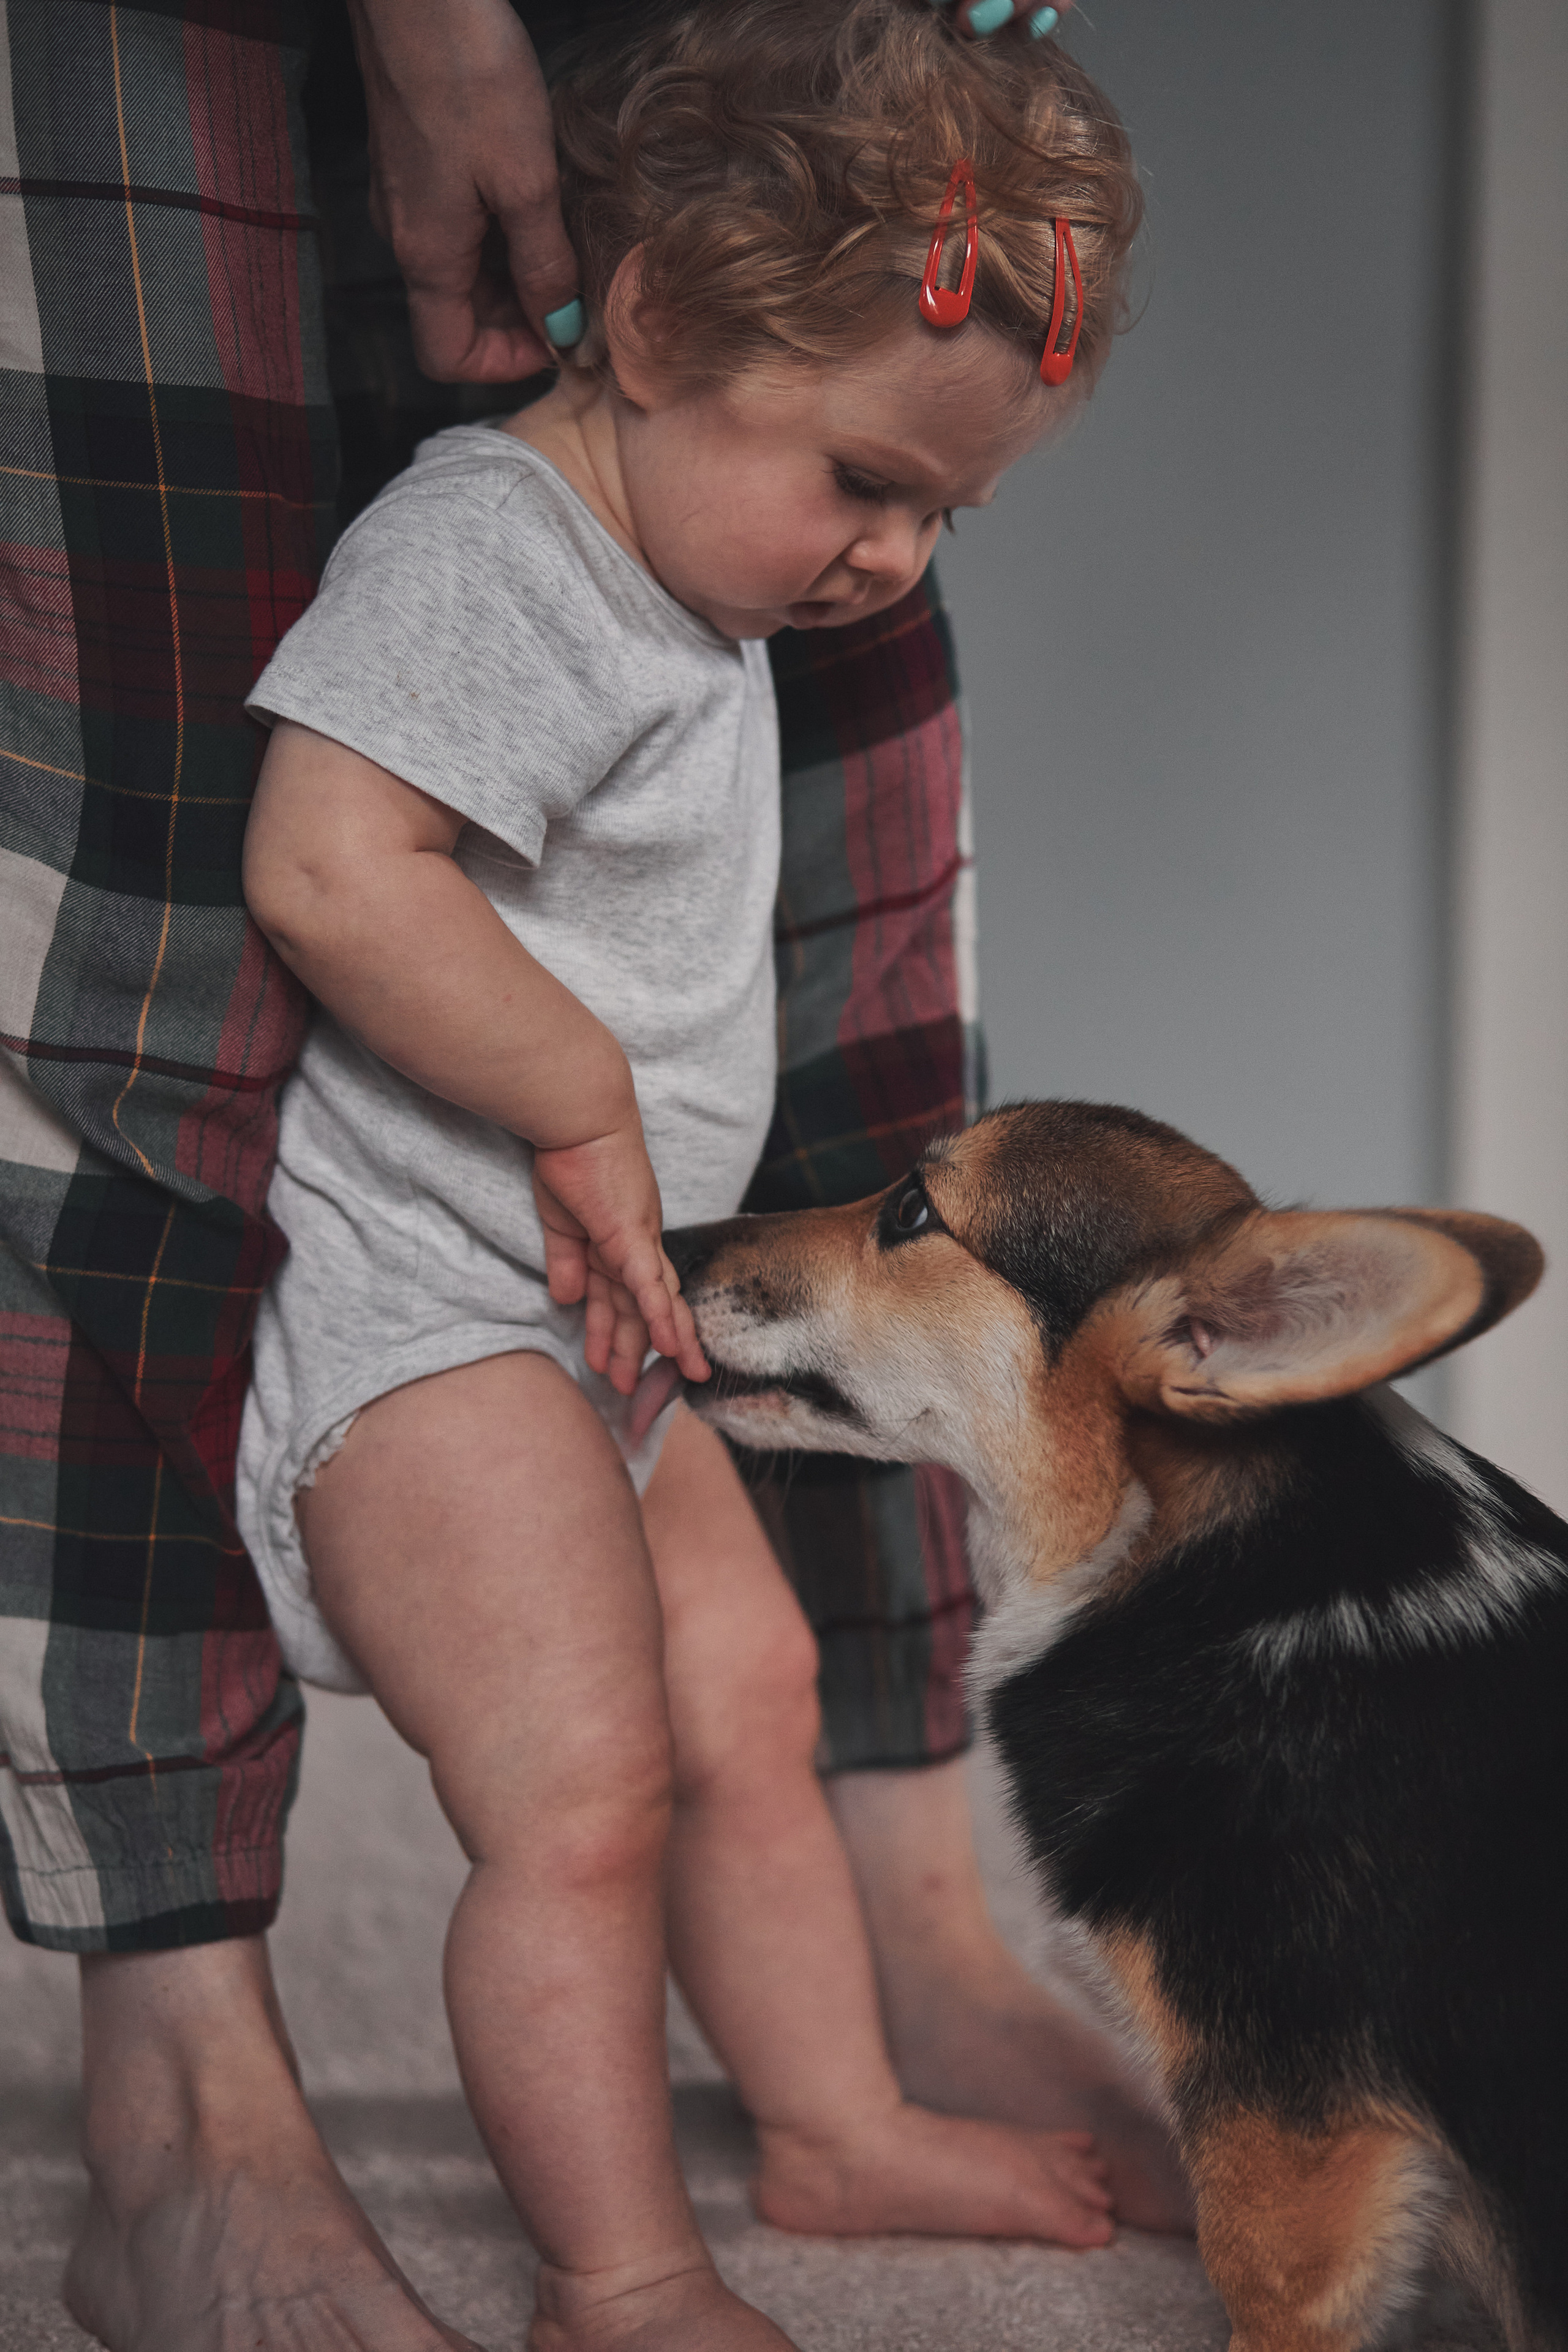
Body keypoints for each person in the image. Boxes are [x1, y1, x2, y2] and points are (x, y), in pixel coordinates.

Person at [0, 2, 1179, 2348]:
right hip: (433, 1319)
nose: (892, 552)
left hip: (591, 1321)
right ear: (647, 321)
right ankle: (617, 2277)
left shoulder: (694, 565)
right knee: (586, 1790)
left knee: (740, 1700)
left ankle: (829, 2119)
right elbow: (330, 867)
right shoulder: (499, 552)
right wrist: (572, 1096)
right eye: (863, 478)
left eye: (943, 509)